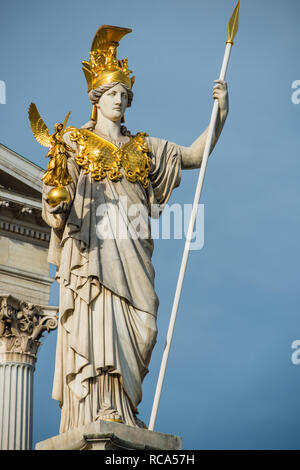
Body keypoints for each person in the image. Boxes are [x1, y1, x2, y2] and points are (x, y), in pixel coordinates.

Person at [41, 25, 228, 433]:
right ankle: (101, 407)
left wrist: (221, 113)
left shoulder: (146, 147)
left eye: (125, 96)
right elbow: (56, 191)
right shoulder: (73, 142)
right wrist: (55, 205)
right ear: (96, 99)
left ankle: (126, 406)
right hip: (94, 252)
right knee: (99, 322)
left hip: (134, 251)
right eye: (112, 95)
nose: (120, 101)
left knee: (146, 326)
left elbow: (195, 155)